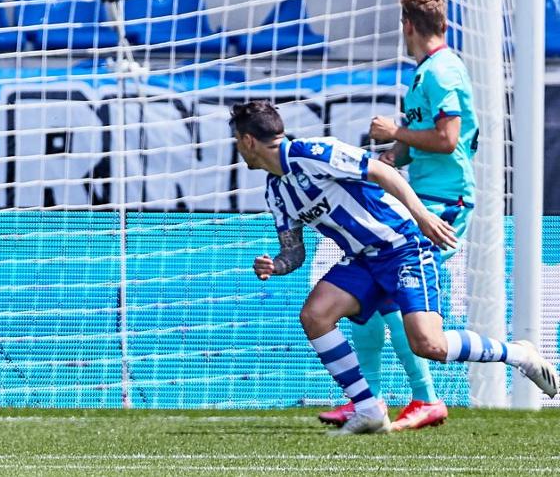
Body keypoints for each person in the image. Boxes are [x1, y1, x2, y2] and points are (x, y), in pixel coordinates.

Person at [232, 100, 557, 436]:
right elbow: (293, 251)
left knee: (429, 345)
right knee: (315, 315)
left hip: (401, 246)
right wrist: (277, 264)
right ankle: (368, 409)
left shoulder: (312, 152)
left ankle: (519, 353)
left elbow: (381, 171)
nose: (239, 151)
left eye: (238, 143)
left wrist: (422, 216)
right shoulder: (275, 191)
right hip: (362, 260)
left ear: (248, 141)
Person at [319, 0, 480, 431]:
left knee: (392, 292)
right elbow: (418, 147)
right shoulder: (426, 72)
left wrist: (396, 130)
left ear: (406, 26)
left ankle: (426, 399)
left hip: (445, 201)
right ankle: (366, 399)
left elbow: (448, 140)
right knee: (364, 299)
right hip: (424, 194)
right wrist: (381, 160)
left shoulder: (442, 73)